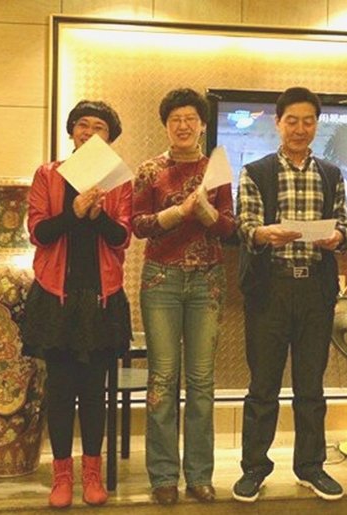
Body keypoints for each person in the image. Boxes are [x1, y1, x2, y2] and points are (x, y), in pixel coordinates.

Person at [233, 86, 347, 503]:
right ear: (278, 123)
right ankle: (254, 468)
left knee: (311, 386)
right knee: (263, 386)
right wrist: (264, 234)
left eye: (308, 121)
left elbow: (345, 224)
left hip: (315, 288)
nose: (300, 129)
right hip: (270, 288)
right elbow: (245, 226)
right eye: (292, 121)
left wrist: (337, 238)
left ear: (316, 125)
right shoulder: (256, 171)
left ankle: (311, 467)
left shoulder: (332, 174)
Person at [22, 100, 132, 508]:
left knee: (93, 391)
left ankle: (92, 474)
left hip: (101, 298)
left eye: (99, 127)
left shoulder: (118, 181)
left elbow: (122, 238)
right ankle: (61, 476)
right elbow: (39, 232)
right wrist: (73, 212)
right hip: (57, 296)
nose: (89, 132)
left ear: (109, 138)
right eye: (82, 125)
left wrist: (99, 215)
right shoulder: (48, 174)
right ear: (72, 132)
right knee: (60, 389)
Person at [132, 88, 235, 505]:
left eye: (191, 118)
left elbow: (229, 228)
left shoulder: (216, 169)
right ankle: (162, 475)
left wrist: (206, 213)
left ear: (202, 125)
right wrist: (178, 212)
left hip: (208, 280)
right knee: (162, 378)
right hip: (162, 280)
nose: (183, 125)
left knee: (201, 381)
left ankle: (199, 474)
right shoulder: (149, 169)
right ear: (166, 125)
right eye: (175, 119)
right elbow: (138, 225)